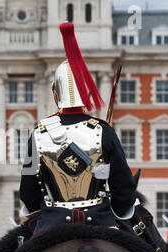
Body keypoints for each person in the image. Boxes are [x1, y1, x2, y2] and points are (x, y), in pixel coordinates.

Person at [19, 22, 138, 235]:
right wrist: (115, 207)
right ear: (88, 94)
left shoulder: (38, 134)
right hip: (102, 222)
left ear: (55, 95)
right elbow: (124, 188)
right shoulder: (104, 130)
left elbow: (28, 193)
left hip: (51, 225)